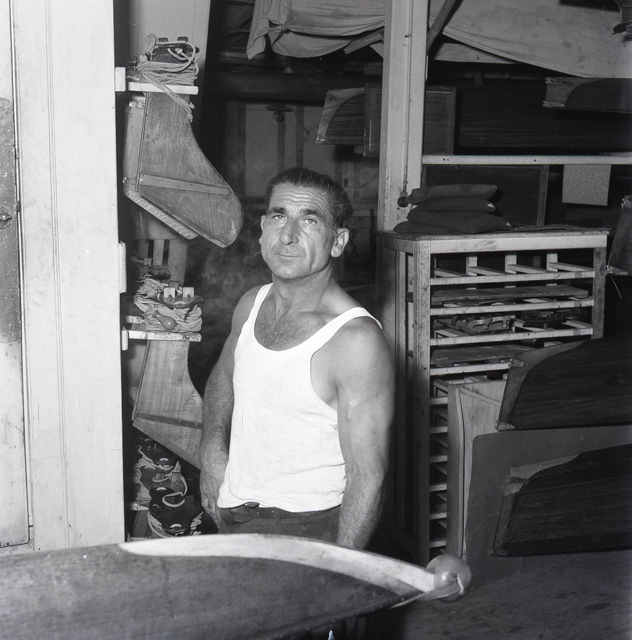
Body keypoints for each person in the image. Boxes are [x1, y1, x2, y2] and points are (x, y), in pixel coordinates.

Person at [199, 167, 395, 551]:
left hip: (309, 530)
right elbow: (223, 376)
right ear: (262, 229)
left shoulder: (354, 340)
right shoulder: (251, 304)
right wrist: (211, 452)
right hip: (235, 513)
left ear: (338, 241)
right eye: (278, 216)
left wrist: (342, 567)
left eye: (309, 220)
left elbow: (367, 476)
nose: (287, 235)